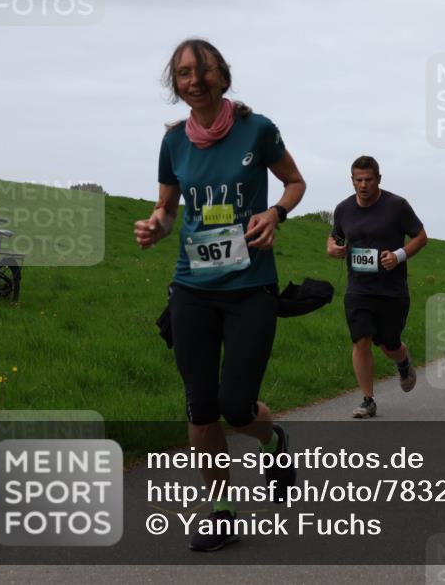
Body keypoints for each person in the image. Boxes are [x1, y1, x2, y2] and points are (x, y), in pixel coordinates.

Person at [134, 38, 306, 551]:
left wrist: (275, 213)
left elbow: (295, 182)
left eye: (201, 70)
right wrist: (155, 227)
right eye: (183, 73)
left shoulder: (259, 129)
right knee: (200, 406)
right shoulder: (173, 144)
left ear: (222, 77)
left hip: (250, 288)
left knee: (235, 405)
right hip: (192, 289)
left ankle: (273, 441)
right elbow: (167, 210)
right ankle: (219, 510)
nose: (193, 80)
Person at [327, 156, 428, 418]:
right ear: (352, 181)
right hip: (358, 288)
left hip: (392, 290)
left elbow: (421, 236)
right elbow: (334, 237)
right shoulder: (343, 209)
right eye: (358, 180)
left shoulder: (397, 206)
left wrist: (399, 256)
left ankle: (403, 361)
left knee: (388, 344)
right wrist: (332, 248)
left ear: (379, 179)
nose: (363, 185)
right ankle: (367, 400)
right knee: (361, 340)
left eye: (368, 180)